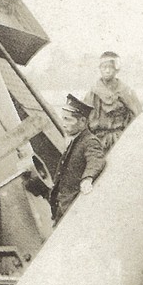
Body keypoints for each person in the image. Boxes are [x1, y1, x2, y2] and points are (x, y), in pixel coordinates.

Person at [48, 93, 107, 225]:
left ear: (82, 121)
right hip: (64, 207)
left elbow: (96, 158)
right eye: (63, 119)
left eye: (68, 120)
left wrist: (88, 178)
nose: (63, 124)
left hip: (74, 208)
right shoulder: (76, 140)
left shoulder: (90, 141)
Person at [85, 50, 142, 153]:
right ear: (100, 69)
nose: (107, 71)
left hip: (121, 140)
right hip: (98, 141)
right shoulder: (93, 93)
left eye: (110, 67)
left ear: (116, 69)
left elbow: (137, 116)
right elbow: (84, 119)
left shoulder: (125, 91)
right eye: (104, 67)